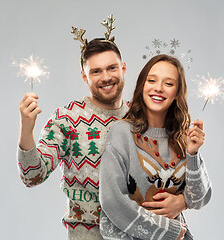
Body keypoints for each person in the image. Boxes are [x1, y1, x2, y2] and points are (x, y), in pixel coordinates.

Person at [17, 18, 188, 239]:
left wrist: (182, 202)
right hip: (88, 233)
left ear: (123, 68)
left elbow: (174, 171)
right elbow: (32, 176)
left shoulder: (142, 118)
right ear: (84, 76)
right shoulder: (67, 119)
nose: (106, 77)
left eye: (111, 68)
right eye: (96, 71)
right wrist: (26, 130)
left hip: (138, 233)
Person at [99, 54, 212, 240]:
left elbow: (201, 197)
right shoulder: (122, 133)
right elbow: (112, 201)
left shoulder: (182, 137)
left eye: (168, 84)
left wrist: (192, 155)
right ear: (142, 85)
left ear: (177, 94)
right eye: (152, 80)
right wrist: (169, 230)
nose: (158, 88)